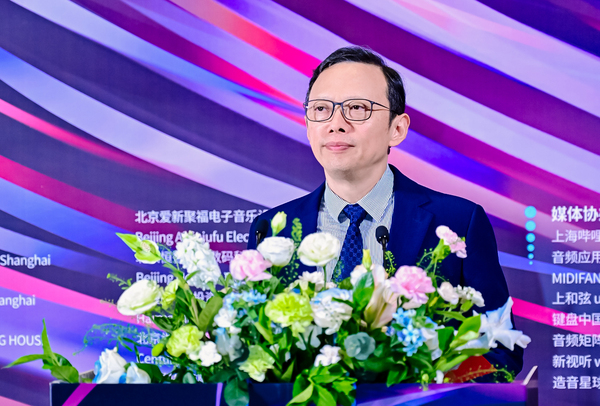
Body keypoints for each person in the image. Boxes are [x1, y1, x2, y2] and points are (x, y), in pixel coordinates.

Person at [248, 46, 523, 378]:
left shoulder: (457, 223)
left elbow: (500, 349)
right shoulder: (270, 230)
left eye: (357, 108)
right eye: (321, 109)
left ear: (397, 128)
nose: (336, 124)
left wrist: (428, 386)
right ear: (308, 125)